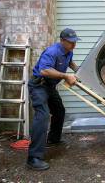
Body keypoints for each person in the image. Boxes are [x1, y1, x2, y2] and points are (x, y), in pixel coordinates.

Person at [26, 28, 80, 170]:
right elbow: (44, 70)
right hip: (39, 86)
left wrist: (78, 71)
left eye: (75, 42)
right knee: (43, 116)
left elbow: (69, 62)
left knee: (59, 111)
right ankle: (33, 158)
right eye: (71, 42)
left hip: (50, 86)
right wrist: (65, 76)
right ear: (62, 41)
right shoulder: (52, 51)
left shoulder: (68, 50)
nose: (74, 45)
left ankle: (53, 139)